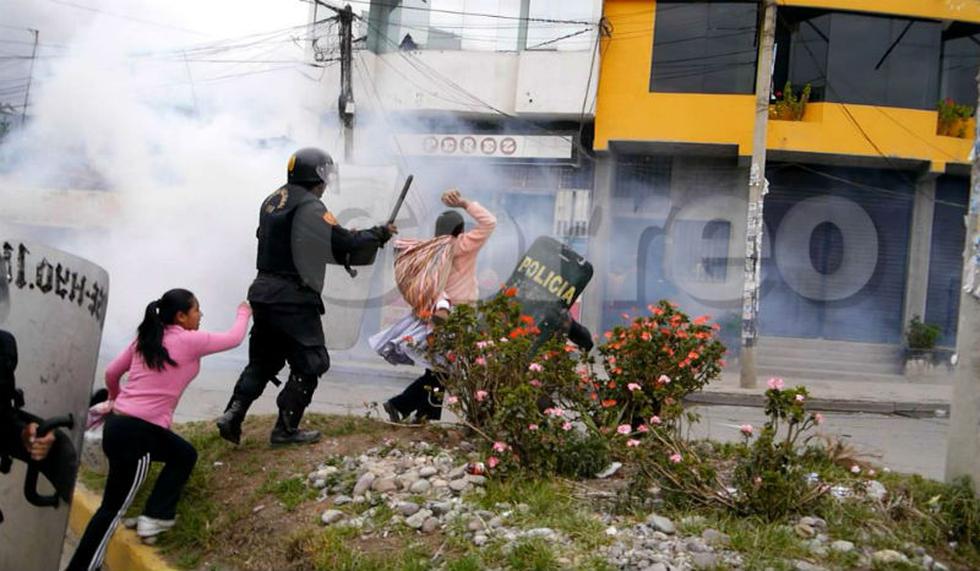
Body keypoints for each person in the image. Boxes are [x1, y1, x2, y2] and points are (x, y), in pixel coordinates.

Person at [217, 147, 396, 446]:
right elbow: (342, 241)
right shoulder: (311, 207)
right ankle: (285, 429)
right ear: (318, 177)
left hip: (263, 291)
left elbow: (305, 243)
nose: (326, 186)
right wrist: (377, 234)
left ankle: (232, 415)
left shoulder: (273, 201)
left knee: (263, 360)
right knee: (312, 362)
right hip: (293, 296)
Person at [67, 289, 251, 571]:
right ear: (181, 316)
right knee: (112, 509)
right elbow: (234, 338)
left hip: (120, 425)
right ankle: (83, 567)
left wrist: (115, 398)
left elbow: (112, 373)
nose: (200, 315)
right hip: (139, 435)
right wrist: (245, 310)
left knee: (184, 454)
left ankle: (155, 516)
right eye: (196, 310)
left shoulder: (146, 338)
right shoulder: (190, 341)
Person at [379, 189, 496, 422]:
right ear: (460, 231)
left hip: (436, 313)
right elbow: (489, 222)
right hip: (456, 314)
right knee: (443, 370)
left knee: (439, 367)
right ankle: (399, 404)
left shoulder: (431, 249)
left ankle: (425, 416)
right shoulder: (461, 245)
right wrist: (464, 203)